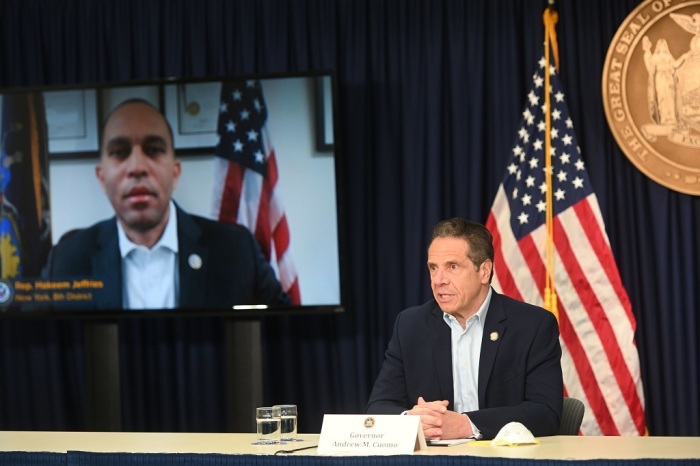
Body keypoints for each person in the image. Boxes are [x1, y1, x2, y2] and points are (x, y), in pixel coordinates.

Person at [43, 98, 290, 310]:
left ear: (175, 173)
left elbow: (287, 332)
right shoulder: (67, 259)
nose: (137, 167)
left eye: (154, 149)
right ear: (101, 178)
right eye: (119, 152)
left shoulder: (235, 251)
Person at [365, 218, 563, 440]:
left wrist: (468, 425)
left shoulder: (533, 325)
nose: (439, 280)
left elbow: (546, 413)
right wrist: (412, 420)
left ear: (484, 271)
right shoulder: (410, 325)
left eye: (452, 267)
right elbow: (378, 407)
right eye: (433, 268)